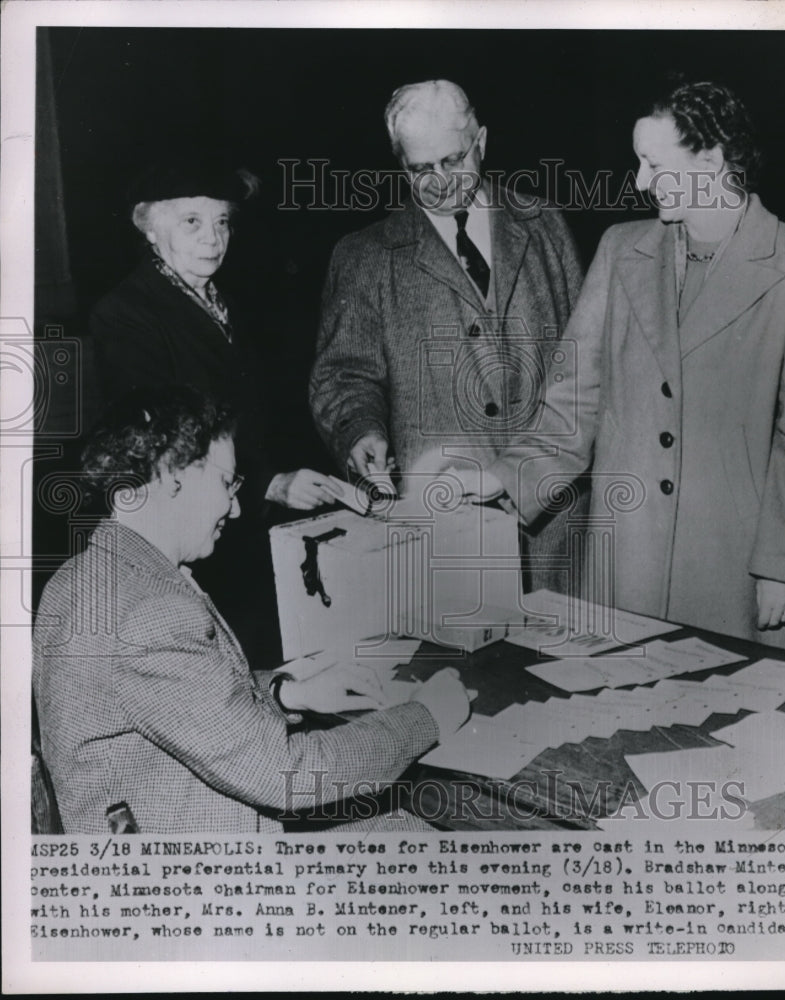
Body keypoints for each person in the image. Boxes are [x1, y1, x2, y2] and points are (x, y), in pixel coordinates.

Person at [460, 81, 785, 650]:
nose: (641, 181)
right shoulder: (619, 249)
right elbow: (572, 405)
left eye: (654, 164)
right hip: (626, 563)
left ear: (711, 161)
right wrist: (502, 476)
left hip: (736, 571)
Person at [32, 386, 470, 834]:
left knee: (401, 830)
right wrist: (426, 716)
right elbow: (288, 776)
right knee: (422, 838)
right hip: (201, 880)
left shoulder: (80, 577)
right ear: (167, 477)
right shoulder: (150, 612)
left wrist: (286, 692)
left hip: (157, 832)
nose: (237, 508)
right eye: (226, 483)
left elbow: (185, 703)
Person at [309, 79, 585, 593]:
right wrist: (359, 431)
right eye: (420, 170)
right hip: (446, 529)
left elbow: (588, 369)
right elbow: (343, 376)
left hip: (555, 527)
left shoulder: (544, 224)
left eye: (453, 161)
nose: (438, 182)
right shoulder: (364, 256)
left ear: (481, 142)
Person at [90, 157, 341, 666]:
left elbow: (256, 419)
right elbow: (164, 447)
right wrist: (269, 481)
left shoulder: (223, 304)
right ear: (150, 229)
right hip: (187, 541)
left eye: (222, 221)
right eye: (192, 221)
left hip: (242, 530)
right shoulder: (126, 313)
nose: (213, 237)